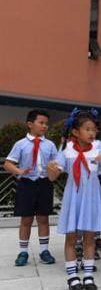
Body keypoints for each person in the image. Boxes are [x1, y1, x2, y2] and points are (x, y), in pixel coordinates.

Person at [46, 109, 101, 290]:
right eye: (87, 129)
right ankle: (72, 277)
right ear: (76, 132)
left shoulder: (99, 148)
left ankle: (88, 275)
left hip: (91, 198)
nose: (92, 133)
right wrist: (51, 167)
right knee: (71, 238)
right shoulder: (67, 150)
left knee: (89, 238)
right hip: (74, 197)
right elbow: (53, 176)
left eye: (94, 129)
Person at [4, 109, 58, 267]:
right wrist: (20, 171)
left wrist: (54, 168)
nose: (45, 126)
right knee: (26, 219)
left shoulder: (50, 145)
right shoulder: (21, 144)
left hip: (45, 183)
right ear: (30, 124)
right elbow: (8, 163)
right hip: (26, 183)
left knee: (43, 218)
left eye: (46, 123)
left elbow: (56, 163)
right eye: (41, 123)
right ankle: (23, 252)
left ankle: (44, 251)